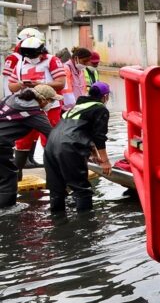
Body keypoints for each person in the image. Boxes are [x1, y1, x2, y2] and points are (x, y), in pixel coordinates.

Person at [44, 81, 112, 214]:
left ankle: (58, 224)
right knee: (82, 189)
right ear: (105, 97)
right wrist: (105, 161)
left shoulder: (76, 107)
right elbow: (99, 136)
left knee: (56, 189)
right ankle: (86, 228)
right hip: (69, 147)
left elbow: (81, 130)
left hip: (51, 146)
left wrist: (93, 154)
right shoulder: (100, 108)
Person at [4, 35, 66, 171]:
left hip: (50, 107)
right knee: (23, 140)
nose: (31, 58)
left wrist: (41, 84)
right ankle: (17, 174)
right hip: (27, 108)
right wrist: (20, 84)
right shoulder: (20, 63)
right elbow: (11, 86)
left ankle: (54, 173)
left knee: (50, 138)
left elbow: (61, 83)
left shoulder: (52, 61)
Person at [0, 85, 57, 207]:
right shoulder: (34, 113)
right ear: (43, 100)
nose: (52, 104)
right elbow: (53, 135)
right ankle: (7, 210)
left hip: (3, 144)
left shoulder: (11, 98)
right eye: (52, 101)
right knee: (9, 177)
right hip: (1, 145)